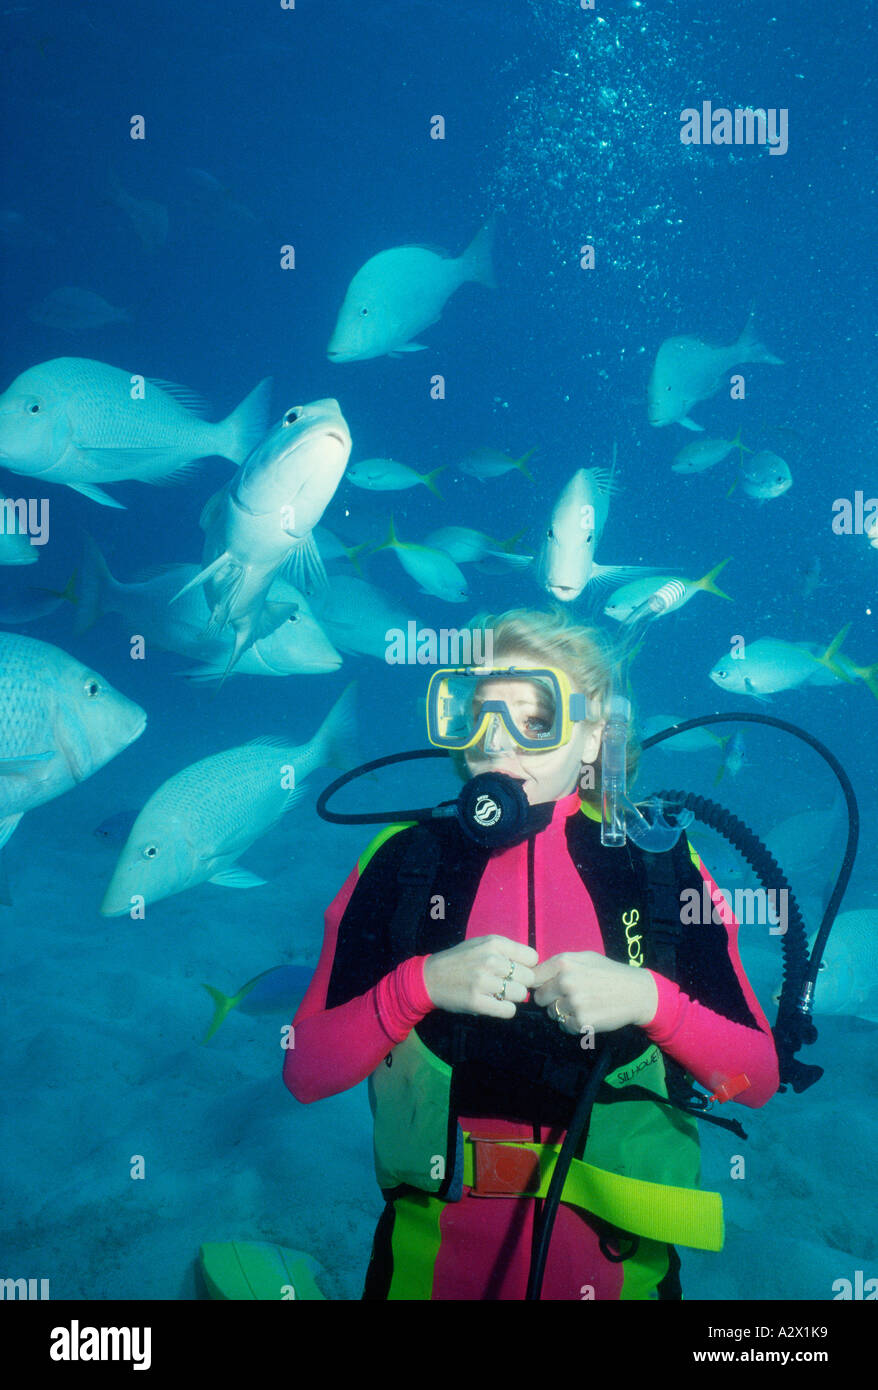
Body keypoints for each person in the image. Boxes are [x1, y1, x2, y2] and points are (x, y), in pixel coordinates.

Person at [283, 608, 779, 1300]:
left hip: (622, 1270)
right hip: (426, 1272)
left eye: (534, 721)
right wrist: (415, 987)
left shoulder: (658, 870)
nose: (497, 745)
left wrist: (651, 1002)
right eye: (479, 716)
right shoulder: (404, 863)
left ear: (592, 738)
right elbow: (306, 1071)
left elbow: (753, 1080)